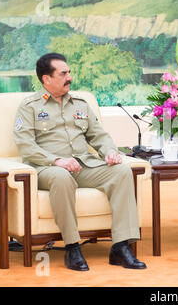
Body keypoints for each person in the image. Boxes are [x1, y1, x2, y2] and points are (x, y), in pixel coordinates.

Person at [13, 53, 146, 271]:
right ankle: (72, 247)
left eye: (69, 72)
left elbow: (99, 136)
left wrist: (110, 153)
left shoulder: (80, 104)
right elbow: (25, 145)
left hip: (84, 165)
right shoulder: (30, 106)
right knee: (61, 176)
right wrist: (57, 160)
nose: (70, 77)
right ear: (46, 79)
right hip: (48, 169)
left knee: (121, 172)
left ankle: (121, 247)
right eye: (63, 73)